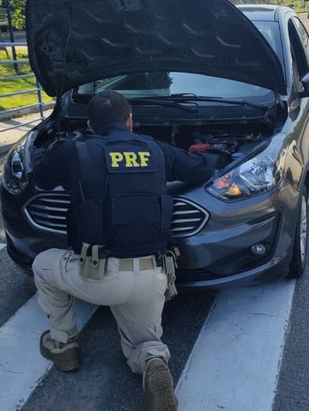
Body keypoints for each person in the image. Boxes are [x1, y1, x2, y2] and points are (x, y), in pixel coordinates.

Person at [31, 90, 216, 411]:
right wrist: (211, 152)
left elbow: (43, 179)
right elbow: (200, 168)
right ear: (130, 121)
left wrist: (61, 152)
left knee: (42, 265)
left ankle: (63, 345)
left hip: (97, 275)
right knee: (142, 342)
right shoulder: (156, 150)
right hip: (153, 276)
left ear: (90, 125)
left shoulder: (77, 151)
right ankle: (154, 362)